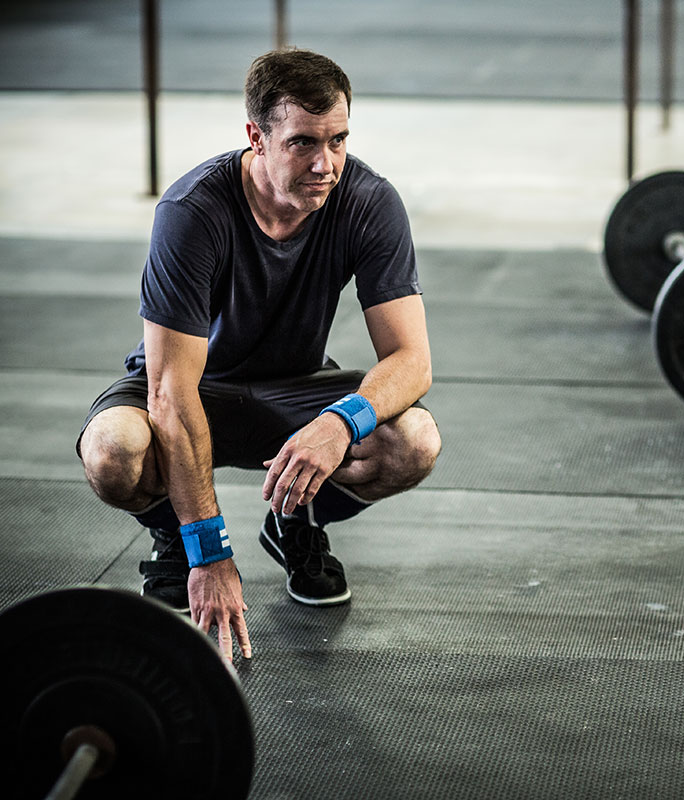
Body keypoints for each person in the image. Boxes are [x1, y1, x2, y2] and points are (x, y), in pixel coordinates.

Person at [76, 48, 441, 662]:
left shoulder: (368, 200)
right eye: (303, 143)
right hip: (191, 388)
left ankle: (297, 517)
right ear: (257, 137)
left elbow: (412, 361)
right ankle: (176, 535)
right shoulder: (192, 211)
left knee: (414, 442)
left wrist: (338, 423)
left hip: (296, 388)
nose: (325, 164)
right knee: (113, 452)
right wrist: (209, 549)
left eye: (338, 140)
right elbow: (170, 392)